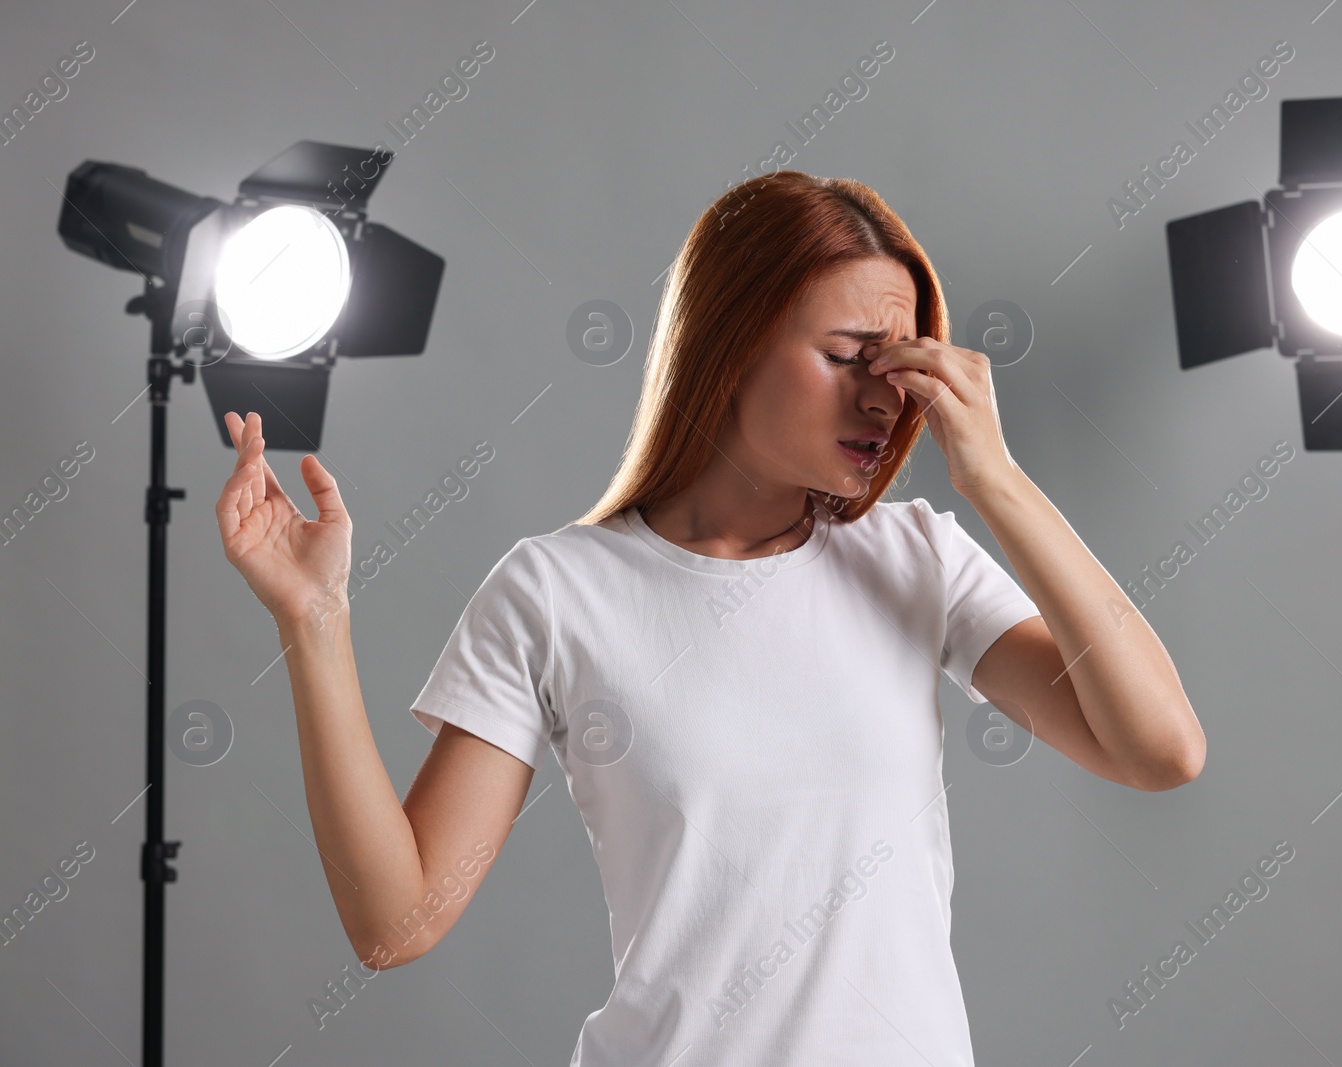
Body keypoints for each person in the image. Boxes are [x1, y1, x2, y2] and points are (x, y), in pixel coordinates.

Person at [215, 170, 1204, 1066]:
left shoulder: (916, 558)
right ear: (729, 345)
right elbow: (397, 920)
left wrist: (997, 481)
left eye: (901, 362)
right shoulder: (556, 593)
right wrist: (314, 617)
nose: (883, 396)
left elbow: (1160, 747)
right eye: (848, 354)